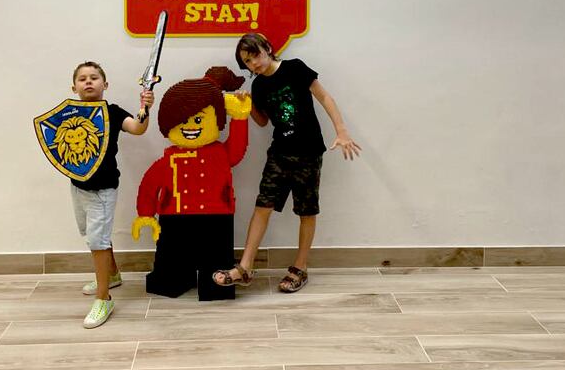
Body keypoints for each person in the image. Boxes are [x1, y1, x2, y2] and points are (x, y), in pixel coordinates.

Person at [213, 33, 360, 293]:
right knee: (263, 205)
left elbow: (324, 97)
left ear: (267, 48)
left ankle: (300, 267)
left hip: (309, 152)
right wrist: (246, 106)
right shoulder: (258, 86)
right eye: (248, 61)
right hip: (279, 153)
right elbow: (263, 121)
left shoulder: (295, 68)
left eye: (256, 55)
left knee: (306, 210)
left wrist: (341, 131)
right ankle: (245, 267)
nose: (254, 64)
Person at [132, 67, 251, 300]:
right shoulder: (168, 159)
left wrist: (239, 118)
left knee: (215, 264)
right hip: (175, 217)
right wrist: (146, 214)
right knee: (172, 263)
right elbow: (149, 185)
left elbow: (237, 150)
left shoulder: (219, 153)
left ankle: (214, 287)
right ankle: (173, 279)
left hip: (216, 215)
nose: (191, 126)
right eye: (182, 121)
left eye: (198, 119)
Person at [69, 61, 153, 328]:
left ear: (105, 84)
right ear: (74, 87)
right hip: (78, 184)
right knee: (93, 235)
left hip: (103, 188)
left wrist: (145, 108)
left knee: (97, 240)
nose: (88, 82)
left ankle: (103, 298)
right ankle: (112, 274)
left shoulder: (112, 112)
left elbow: (138, 128)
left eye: (94, 77)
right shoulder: (69, 114)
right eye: (82, 79)